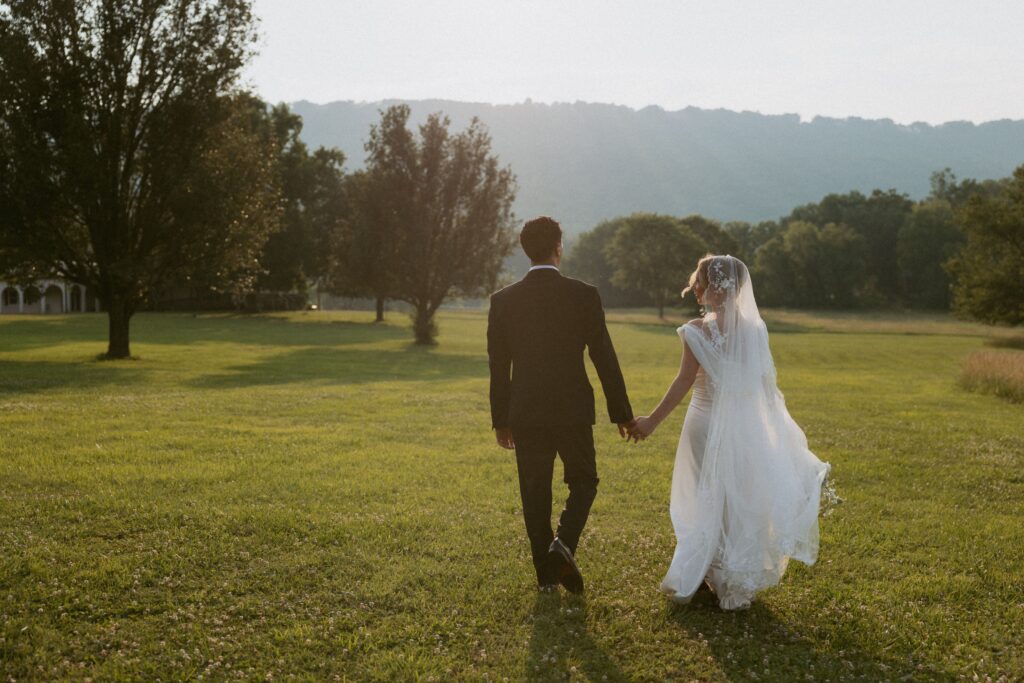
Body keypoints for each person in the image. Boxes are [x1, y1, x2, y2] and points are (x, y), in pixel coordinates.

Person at [629, 255, 831, 610]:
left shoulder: (697, 329)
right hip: (743, 428)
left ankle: (701, 570)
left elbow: (683, 382)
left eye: (699, 282)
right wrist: (770, 433)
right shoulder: (755, 330)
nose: (695, 288)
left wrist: (651, 421)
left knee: (701, 499)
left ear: (715, 288)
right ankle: (730, 575)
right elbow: (764, 387)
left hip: (703, 424)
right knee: (733, 500)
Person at [487, 216, 635, 593]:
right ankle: (563, 545)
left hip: (525, 412)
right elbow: (604, 356)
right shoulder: (584, 294)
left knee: (534, 492)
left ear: (526, 251)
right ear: (558, 247)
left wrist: (500, 420)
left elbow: (498, 367)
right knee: (584, 481)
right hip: (572, 410)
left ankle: (546, 575)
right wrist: (621, 413)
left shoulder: (503, 300)